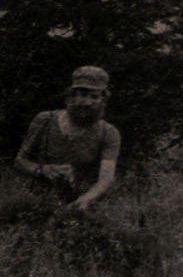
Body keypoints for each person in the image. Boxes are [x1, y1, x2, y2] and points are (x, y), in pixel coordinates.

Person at [14, 65, 120, 210]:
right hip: (37, 203)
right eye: (82, 94)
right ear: (71, 96)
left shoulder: (108, 133)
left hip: (82, 205)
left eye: (94, 97)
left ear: (103, 100)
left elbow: (106, 178)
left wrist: (86, 199)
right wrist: (42, 170)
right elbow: (20, 161)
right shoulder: (45, 120)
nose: (87, 102)